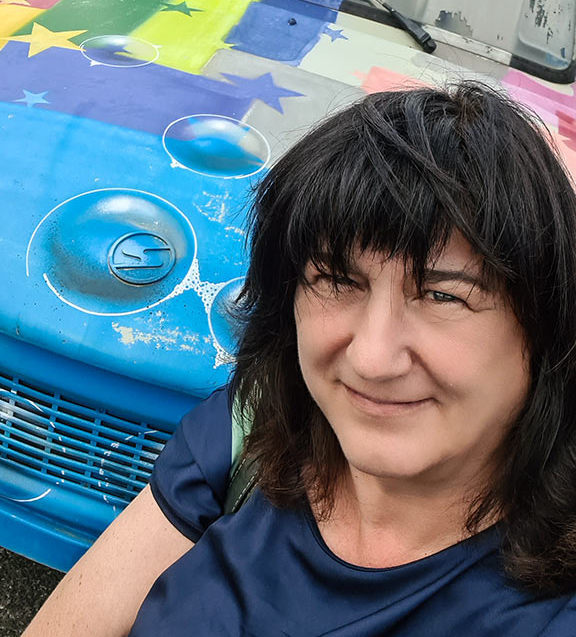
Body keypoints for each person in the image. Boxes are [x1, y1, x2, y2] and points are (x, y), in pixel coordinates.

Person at [24, 82, 576, 635]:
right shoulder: (251, 429)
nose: (372, 359)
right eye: (337, 280)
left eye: (442, 295)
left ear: (544, 328)